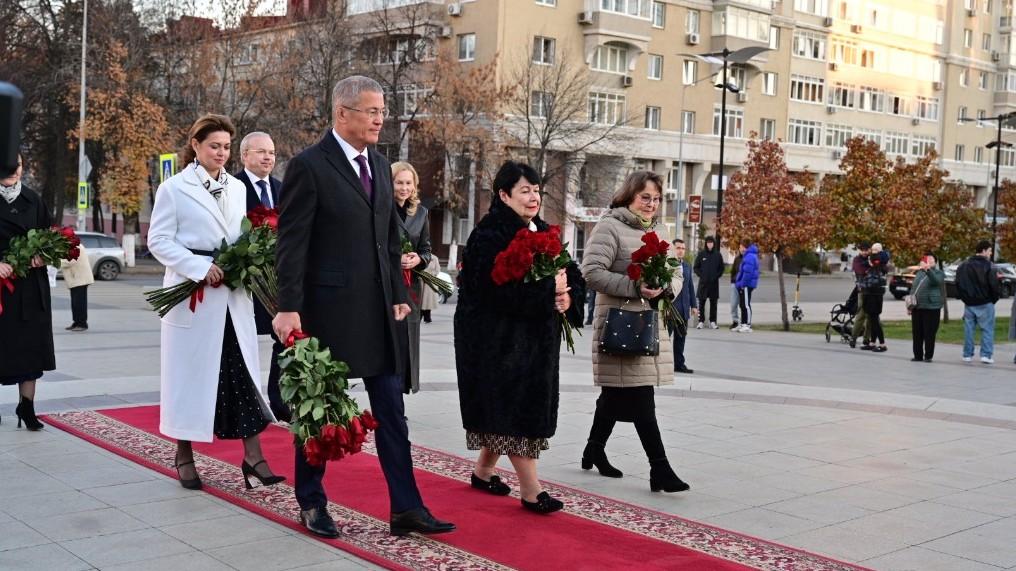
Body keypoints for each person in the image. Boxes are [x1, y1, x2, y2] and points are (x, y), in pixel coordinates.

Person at [273, 76, 454, 538]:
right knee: (320, 411)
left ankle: (406, 507)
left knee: (392, 410)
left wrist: (399, 293)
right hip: (327, 313)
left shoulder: (379, 163)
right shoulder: (309, 167)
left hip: (379, 314)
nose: (380, 119)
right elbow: (291, 246)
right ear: (342, 114)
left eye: (382, 111)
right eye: (372, 111)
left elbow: (387, 240)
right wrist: (288, 308)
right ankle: (311, 502)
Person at [148, 114, 284, 492]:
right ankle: (184, 455)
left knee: (240, 373)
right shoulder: (174, 188)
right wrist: (198, 266)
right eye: (214, 146)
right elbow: (158, 241)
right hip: (193, 294)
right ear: (196, 145)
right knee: (189, 380)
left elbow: (239, 236)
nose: (222, 153)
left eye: (226, 146)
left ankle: (253, 457)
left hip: (232, 294)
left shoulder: (238, 189)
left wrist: (247, 258)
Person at [455, 160, 585, 514]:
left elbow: (570, 273)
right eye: (525, 191)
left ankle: (483, 471)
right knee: (513, 410)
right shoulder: (488, 234)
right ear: (504, 194)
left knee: (511, 408)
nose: (534, 198)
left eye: (537, 190)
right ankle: (531, 490)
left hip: (534, 340)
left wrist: (566, 295)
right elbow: (494, 291)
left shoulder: (541, 228)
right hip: (495, 341)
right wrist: (547, 290)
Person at [580, 170, 690, 493]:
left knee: (614, 395)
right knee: (642, 397)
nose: (651, 204)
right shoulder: (610, 226)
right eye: (646, 197)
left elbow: (677, 271)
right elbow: (591, 272)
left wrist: (666, 288)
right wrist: (635, 285)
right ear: (630, 195)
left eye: (656, 199)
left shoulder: (660, 229)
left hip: (648, 325)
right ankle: (660, 469)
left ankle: (594, 448)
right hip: (619, 326)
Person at [233, 131, 289, 422]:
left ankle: (279, 401)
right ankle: (244, 401)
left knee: (283, 337)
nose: (268, 157)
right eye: (261, 152)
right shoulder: (233, 188)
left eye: (272, 152)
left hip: (279, 279)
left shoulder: (283, 188)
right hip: (246, 279)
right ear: (244, 156)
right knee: (242, 341)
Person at [0, 153, 52, 430]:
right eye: (8, 164)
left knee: (30, 349)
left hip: (30, 289)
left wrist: (44, 256)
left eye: (18, 164)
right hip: (0, 290)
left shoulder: (34, 200)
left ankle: (27, 407)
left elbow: (51, 238)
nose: (14, 170)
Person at [392, 161, 432, 394]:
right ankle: (389, 399)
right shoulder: (382, 209)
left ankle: (401, 395)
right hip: (388, 285)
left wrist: (419, 259)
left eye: (408, 183)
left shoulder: (422, 213)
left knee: (408, 342)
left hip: (411, 288)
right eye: (399, 182)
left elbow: (427, 249)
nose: (404, 188)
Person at [956, 240, 1001, 364]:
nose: (991, 253)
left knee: (969, 329)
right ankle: (986, 355)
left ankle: (967, 354)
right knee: (987, 329)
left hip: (969, 303)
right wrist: (993, 299)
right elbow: (994, 285)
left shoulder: (964, 265)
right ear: (984, 250)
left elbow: (958, 283)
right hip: (985, 302)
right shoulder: (989, 266)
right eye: (990, 251)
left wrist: (965, 298)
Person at [910, 253, 944, 362]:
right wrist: (909, 305)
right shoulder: (919, 273)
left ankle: (928, 356)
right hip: (917, 307)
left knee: (929, 333)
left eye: (931, 260)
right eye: (926, 259)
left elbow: (936, 282)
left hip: (931, 307)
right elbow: (914, 288)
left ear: (935, 262)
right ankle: (917, 355)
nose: (928, 261)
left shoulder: (939, 273)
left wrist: (928, 270)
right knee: (917, 332)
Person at [860, 243, 890, 353]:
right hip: (870, 293)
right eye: (872, 250)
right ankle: (872, 342)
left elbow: (878, 262)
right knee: (872, 320)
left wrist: (871, 262)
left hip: (875, 294)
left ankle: (882, 344)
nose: (872, 252)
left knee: (875, 320)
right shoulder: (874, 261)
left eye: (875, 250)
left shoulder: (881, 260)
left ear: (880, 250)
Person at [672, 238, 696, 373]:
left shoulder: (687, 266)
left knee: (681, 338)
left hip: (683, 308)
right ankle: (662, 364)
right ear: (673, 249)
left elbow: (690, 286)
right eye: (678, 248)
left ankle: (679, 364)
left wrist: (694, 305)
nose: (681, 251)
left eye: (683, 248)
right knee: (665, 339)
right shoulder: (668, 264)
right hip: (671, 309)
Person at [693, 236, 724, 329]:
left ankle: (713, 322)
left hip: (714, 284)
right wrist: (701, 275)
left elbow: (721, 269)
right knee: (701, 303)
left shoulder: (718, 255)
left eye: (711, 243)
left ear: (714, 244)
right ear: (706, 244)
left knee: (713, 304)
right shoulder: (701, 254)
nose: (709, 244)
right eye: (708, 243)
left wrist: (716, 276)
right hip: (703, 284)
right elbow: (696, 267)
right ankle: (701, 321)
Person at [61, 244, 93, 331]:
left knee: (80, 303)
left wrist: (56, 262)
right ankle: (76, 322)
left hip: (80, 279)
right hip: (76, 279)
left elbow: (71, 261)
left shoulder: (76, 246)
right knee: (75, 303)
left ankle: (82, 324)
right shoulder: (72, 246)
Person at [850, 242, 872, 349]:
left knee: (871, 317)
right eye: (863, 250)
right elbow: (860, 271)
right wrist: (871, 269)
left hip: (872, 291)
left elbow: (883, 268)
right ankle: (853, 338)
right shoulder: (857, 260)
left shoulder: (871, 258)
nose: (864, 252)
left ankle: (866, 339)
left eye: (866, 250)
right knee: (861, 315)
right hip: (862, 291)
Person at [734, 240, 759, 333]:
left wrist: (742, 284)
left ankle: (747, 324)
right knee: (742, 304)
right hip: (745, 284)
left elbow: (747, 273)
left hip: (747, 284)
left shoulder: (749, 257)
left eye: (740, 247)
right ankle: (743, 323)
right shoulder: (748, 256)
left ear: (744, 247)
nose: (739, 249)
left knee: (746, 304)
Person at [419, 256, 440, 323]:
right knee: (421, 301)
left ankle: (427, 317)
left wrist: (430, 276)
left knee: (428, 301)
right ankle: (423, 317)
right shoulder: (420, 256)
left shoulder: (434, 258)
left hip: (430, 282)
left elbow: (437, 270)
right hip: (421, 282)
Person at [728, 248, 742, 330]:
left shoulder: (747, 258)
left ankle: (745, 322)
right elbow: (733, 271)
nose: (742, 249)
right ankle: (735, 321)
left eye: (744, 247)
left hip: (743, 285)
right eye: (740, 248)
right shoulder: (737, 259)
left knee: (743, 305)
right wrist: (732, 281)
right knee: (733, 304)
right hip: (735, 284)